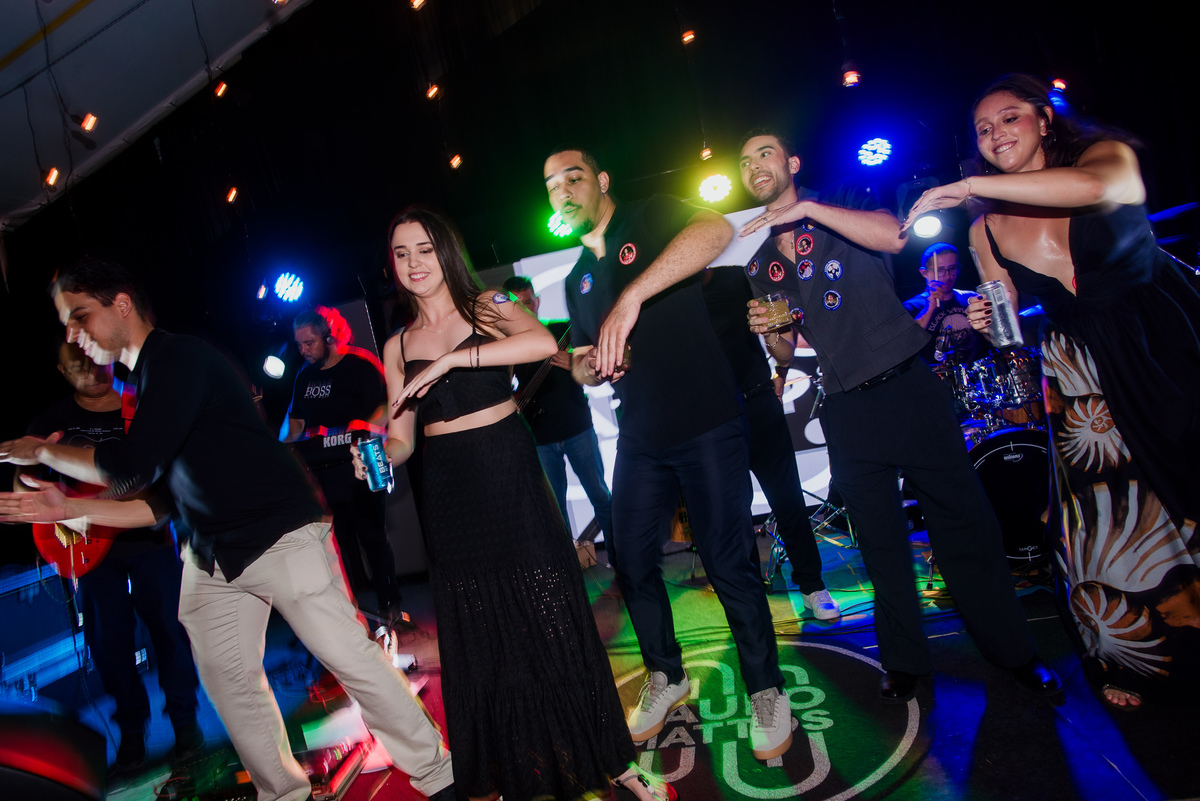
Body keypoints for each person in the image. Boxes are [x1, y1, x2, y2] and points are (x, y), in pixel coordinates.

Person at [0, 258, 455, 801]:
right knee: (230, 683)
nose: (73, 334)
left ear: (121, 304)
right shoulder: (140, 385)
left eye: (79, 316)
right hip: (212, 554)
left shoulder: (179, 359)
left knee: (350, 658)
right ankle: (283, 795)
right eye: (65, 324)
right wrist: (67, 512)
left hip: (278, 531)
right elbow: (157, 504)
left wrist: (44, 451)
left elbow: (129, 468)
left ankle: (441, 777)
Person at [904, 74, 1200, 709]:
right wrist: (987, 319)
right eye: (983, 129)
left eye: (1009, 118)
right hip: (1079, 372)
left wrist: (968, 185)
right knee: (1104, 516)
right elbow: (1005, 313)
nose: (995, 135)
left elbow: (1092, 190)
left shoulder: (1104, 156)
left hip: (1160, 338)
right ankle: (1133, 655)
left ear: (1044, 119)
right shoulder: (984, 227)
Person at [353, 206, 668, 801]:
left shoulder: (488, 305)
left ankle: (615, 761)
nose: (414, 263)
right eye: (401, 253)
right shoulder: (396, 345)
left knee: (553, 621)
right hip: (449, 495)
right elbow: (402, 437)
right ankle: (510, 771)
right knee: (480, 636)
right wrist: (377, 455)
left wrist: (452, 359)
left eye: (424, 249)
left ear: (446, 251)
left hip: (509, 473)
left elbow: (542, 342)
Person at [738, 128, 1060, 703]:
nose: (754, 165)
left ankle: (1017, 652)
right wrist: (771, 335)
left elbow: (894, 235)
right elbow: (787, 350)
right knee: (879, 542)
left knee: (965, 527)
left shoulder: (842, 201)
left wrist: (806, 210)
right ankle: (905, 661)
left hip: (910, 388)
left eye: (765, 153)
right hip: (846, 407)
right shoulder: (760, 260)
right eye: (744, 161)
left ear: (791, 162)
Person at [544, 146, 794, 761]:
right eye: (552, 185)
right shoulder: (575, 280)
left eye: (574, 177)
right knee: (630, 560)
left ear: (602, 180)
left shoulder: (648, 215)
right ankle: (666, 674)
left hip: (707, 419)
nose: (564, 191)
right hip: (642, 436)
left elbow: (715, 230)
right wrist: (584, 366)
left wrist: (632, 296)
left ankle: (767, 690)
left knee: (728, 562)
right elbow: (586, 363)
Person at [18, 341, 201, 780]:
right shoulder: (52, 421)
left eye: (93, 361)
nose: (89, 370)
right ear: (62, 372)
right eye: (76, 367)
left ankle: (185, 724)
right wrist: (52, 514)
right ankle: (132, 732)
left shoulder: (141, 405)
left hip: (149, 537)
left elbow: (166, 470)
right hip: (89, 549)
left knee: (170, 632)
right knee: (108, 644)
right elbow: (27, 484)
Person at [701, 266, 840, 618]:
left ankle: (812, 586)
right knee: (734, 513)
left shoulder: (738, 277)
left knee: (788, 499)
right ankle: (752, 601)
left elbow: (783, 342)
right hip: (713, 419)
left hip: (758, 403)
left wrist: (780, 372)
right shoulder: (669, 298)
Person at [282, 307, 403, 617]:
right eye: (299, 344)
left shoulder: (360, 365)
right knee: (338, 545)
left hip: (358, 467)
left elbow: (387, 405)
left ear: (329, 337)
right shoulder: (304, 375)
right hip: (322, 473)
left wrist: (365, 428)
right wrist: (287, 446)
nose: (303, 350)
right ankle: (350, 612)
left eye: (309, 343)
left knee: (372, 538)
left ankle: (391, 606)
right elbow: (296, 422)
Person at [502, 275, 614, 546]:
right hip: (540, 438)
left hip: (577, 429)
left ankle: (623, 563)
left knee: (600, 496)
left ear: (538, 301)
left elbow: (598, 366)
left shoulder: (564, 330)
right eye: (519, 305)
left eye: (529, 302)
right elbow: (502, 389)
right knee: (554, 512)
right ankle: (568, 570)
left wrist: (574, 362)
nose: (527, 309)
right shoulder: (508, 346)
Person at [901, 243, 985, 366]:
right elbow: (906, 344)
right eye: (940, 270)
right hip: (936, 375)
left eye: (952, 269)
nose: (948, 276)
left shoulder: (970, 298)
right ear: (924, 272)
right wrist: (929, 308)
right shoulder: (912, 306)